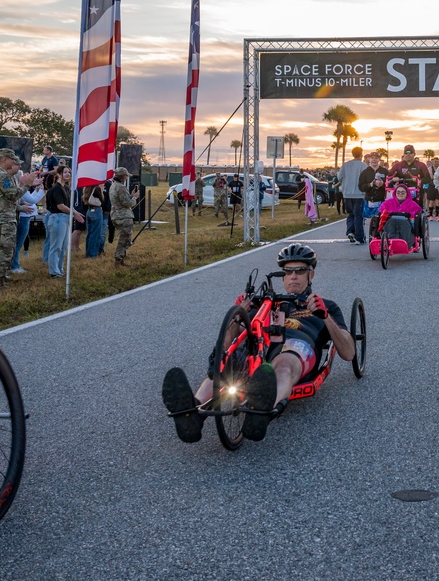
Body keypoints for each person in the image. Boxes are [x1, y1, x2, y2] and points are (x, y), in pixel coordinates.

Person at [161, 244, 356, 443]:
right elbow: (227, 344)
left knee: (283, 366)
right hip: (257, 345)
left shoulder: (326, 305)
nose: (293, 276)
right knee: (227, 362)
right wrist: (237, 316)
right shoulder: (262, 304)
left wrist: (324, 316)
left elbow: (349, 352)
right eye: (288, 272)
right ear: (282, 275)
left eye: (300, 271)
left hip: (297, 344)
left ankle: (261, 409)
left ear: (311, 275)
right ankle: (192, 411)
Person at [0, 148, 39, 289]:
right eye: (12, 159)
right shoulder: (2, 175)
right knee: (4, 250)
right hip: (3, 219)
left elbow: (8, 199)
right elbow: (13, 195)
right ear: (4, 160)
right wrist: (28, 184)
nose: (14, 162)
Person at [109, 167, 139, 267]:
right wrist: (134, 198)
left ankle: (121, 260)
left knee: (124, 238)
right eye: (126, 176)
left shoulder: (113, 186)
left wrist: (130, 195)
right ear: (122, 177)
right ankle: (118, 261)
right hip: (124, 217)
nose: (126, 178)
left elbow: (120, 200)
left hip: (115, 215)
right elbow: (127, 203)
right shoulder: (121, 187)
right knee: (125, 239)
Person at [377, 184, 423, 248]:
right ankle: (390, 240)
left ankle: (405, 242)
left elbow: (417, 212)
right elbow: (382, 211)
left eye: (403, 192)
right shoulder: (387, 203)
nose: (400, 194)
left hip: (406, 225)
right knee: (391, 221)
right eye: (398, 192)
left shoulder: (412, 204)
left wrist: (407, 214)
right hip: (390, 224)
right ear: (395, 193)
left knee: (403, 221)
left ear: (407, 193)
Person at [337, 146, 367, 245]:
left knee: (351, 214)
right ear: (361, 154)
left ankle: (350, 231)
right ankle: (359, 237)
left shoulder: (345, 165)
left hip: (347, 194)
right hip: (359, 194)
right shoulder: (363, 166)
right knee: (358, 216)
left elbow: (339, 177)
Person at [83, 183, 105, 258]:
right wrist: (102, 190)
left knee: (90, 233)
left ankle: (88, 252)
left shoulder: (87, 188)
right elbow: (102, 201)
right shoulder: (97, 189)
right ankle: (92, 254)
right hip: (96, 211)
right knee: (96, 234)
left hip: (89, 211)